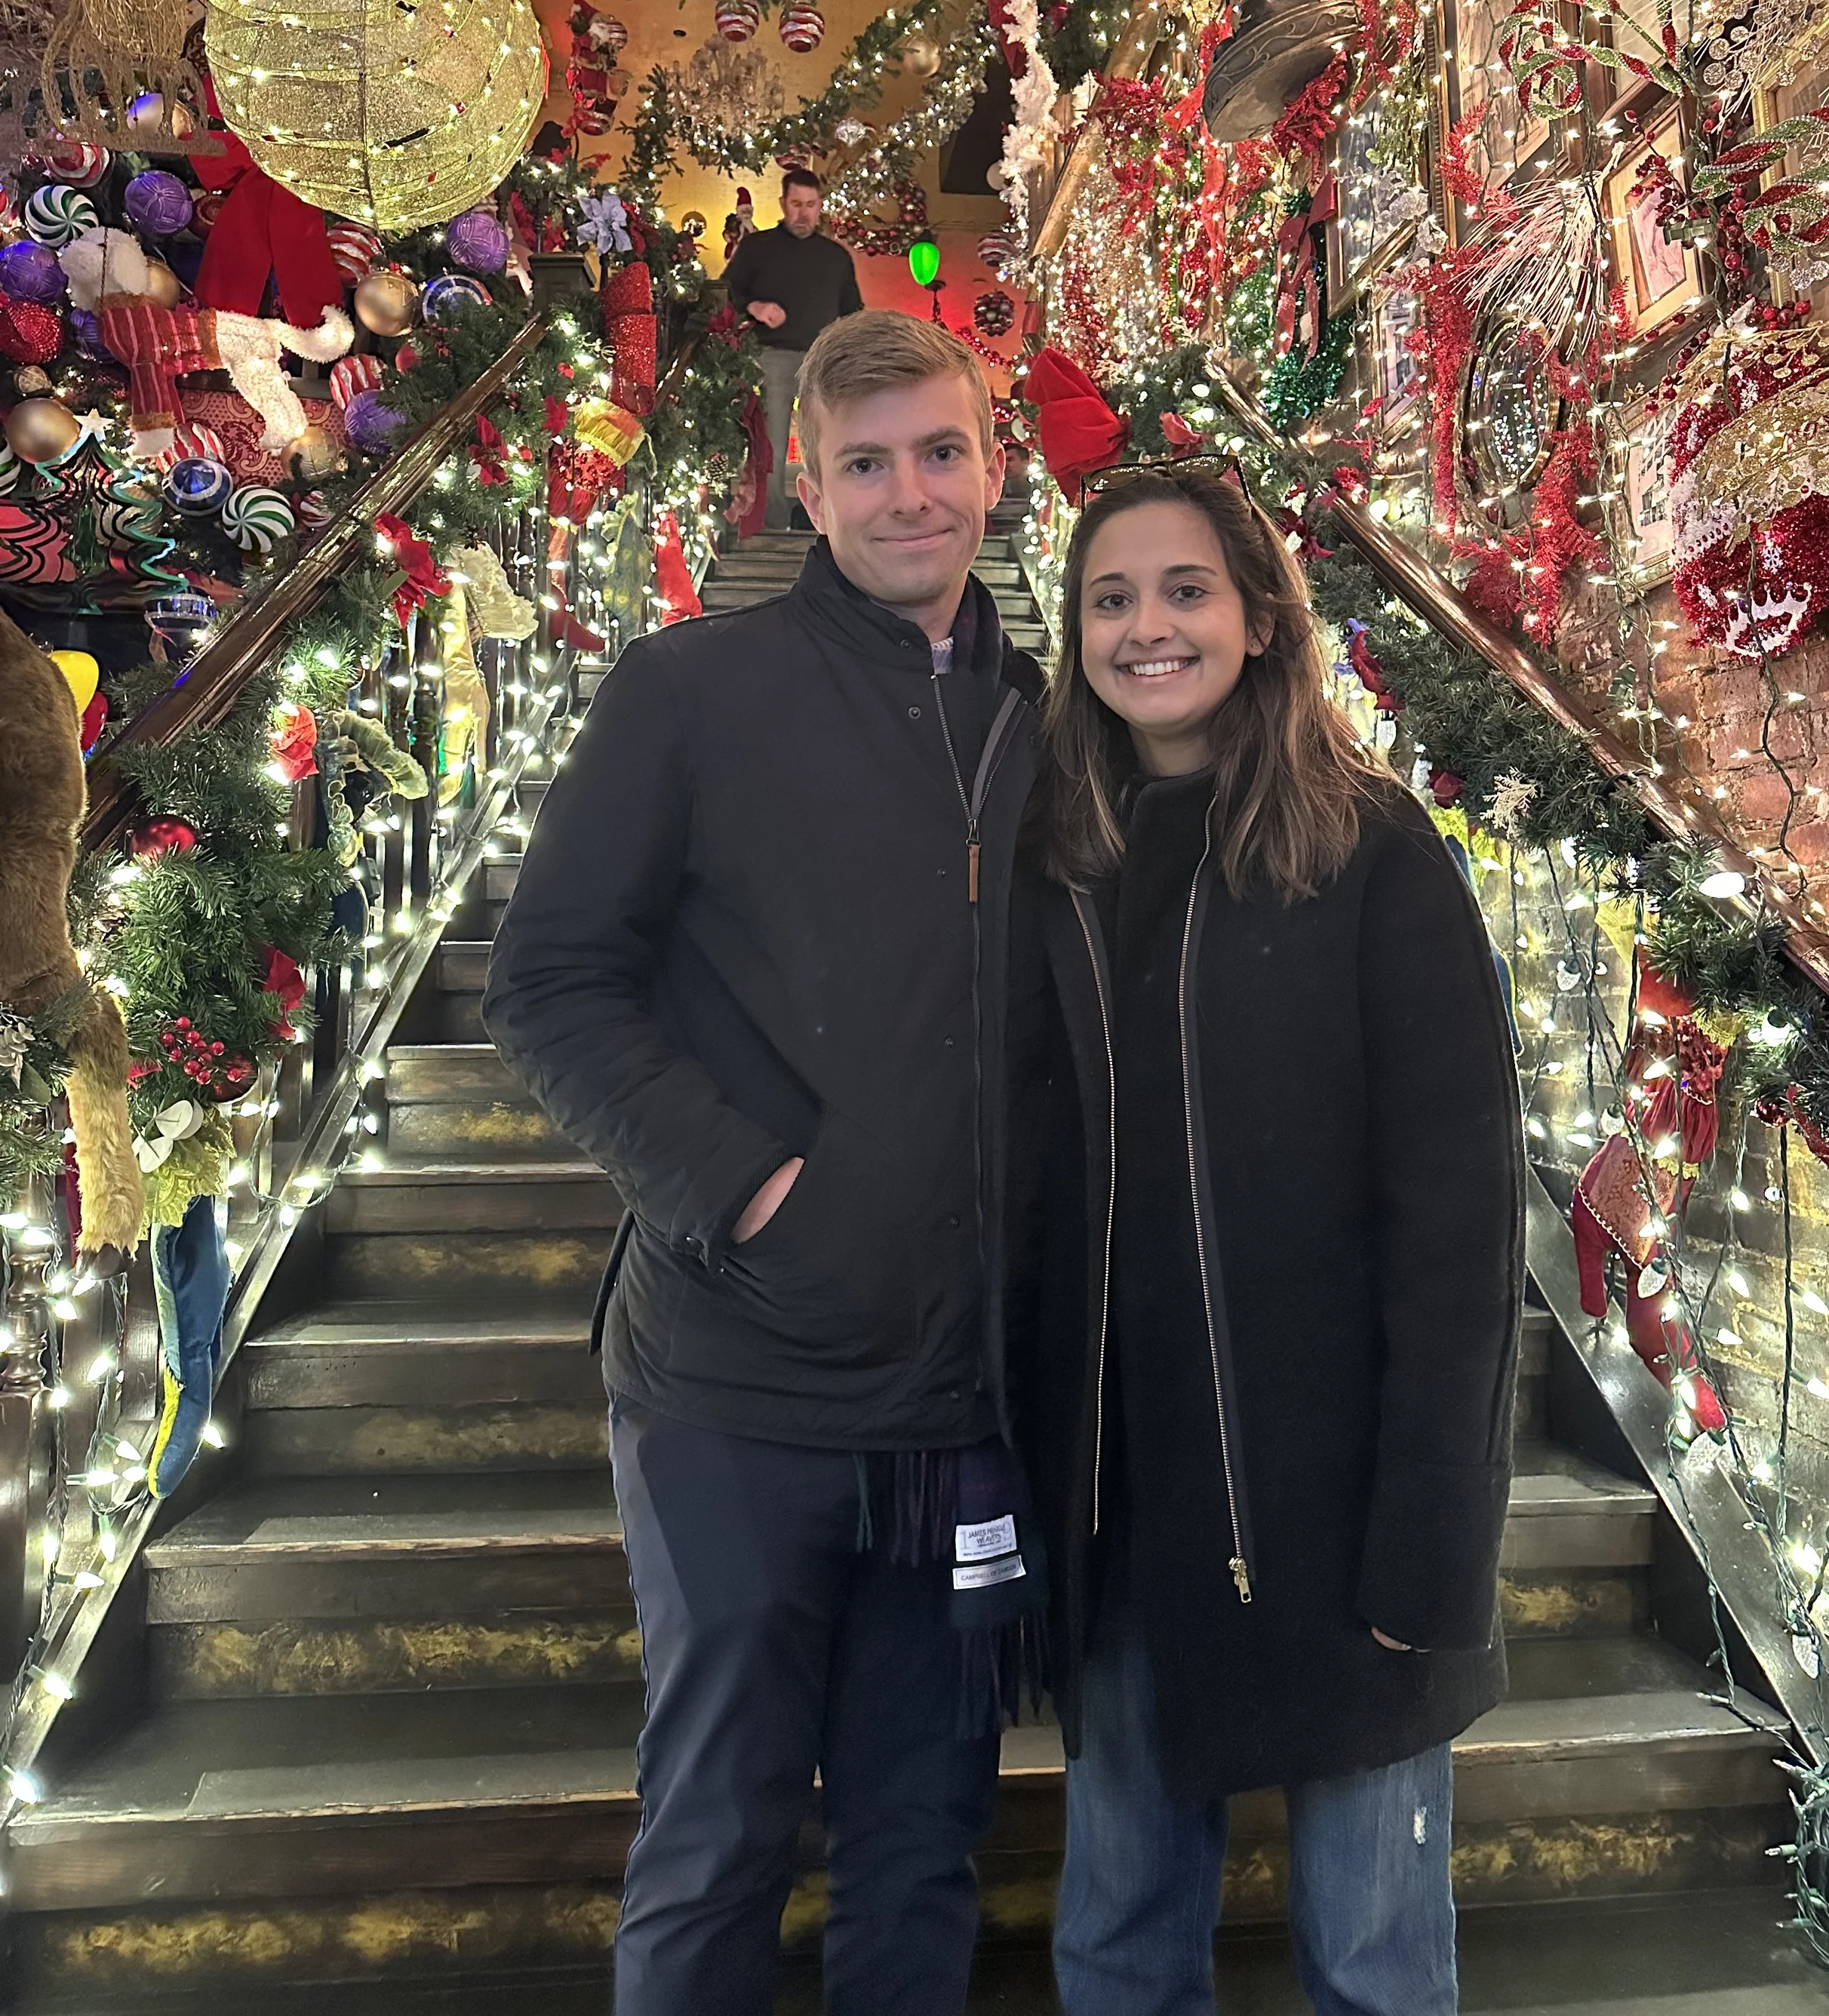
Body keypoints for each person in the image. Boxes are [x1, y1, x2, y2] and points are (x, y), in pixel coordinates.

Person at [483, 312, 1044, 2016]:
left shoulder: (1055, 716)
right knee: (719, 1831)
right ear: (803, 486)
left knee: (919, 1839)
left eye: (939, 452)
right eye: (864, 462)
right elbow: (548, 979)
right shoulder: (688, 691)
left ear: (993, 466)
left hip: (966, 1408)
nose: (908, 494)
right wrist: (744, 1188)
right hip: (740, 1385)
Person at [1017, 460, 1523, 2016]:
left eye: (1183, 590)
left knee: (1372, 1955)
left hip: (1346, 1510)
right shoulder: (1052, 866)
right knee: (1116, 1937)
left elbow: (1459, 1222)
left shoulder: (1372, 854)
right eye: (1110, 596)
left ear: (1255, 616)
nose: (1146, 626)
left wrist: (1434, 1539)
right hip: (1122, 1517)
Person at [725, 166, 864, 530]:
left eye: (811, 205)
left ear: (820, 207)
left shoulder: (836, 258)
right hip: (773, 356)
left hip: (826, 360)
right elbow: (728, 292)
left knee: (834, 441)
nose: (803, 213)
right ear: (783, 204)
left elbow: (853, 312)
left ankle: (833, 521)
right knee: (771, 442)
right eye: (796, 204)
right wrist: (754, 307)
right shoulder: (757, 248)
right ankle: (772, 522)